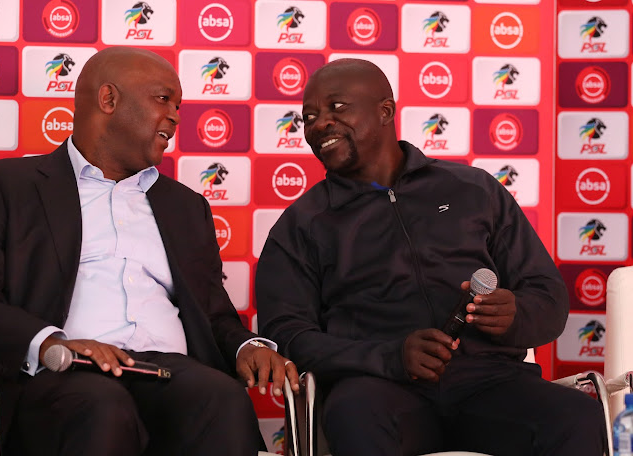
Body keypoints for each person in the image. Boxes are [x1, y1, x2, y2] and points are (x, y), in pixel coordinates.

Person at [0, 47, 299, 456]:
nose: (176, 116)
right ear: (108, 99)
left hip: (169, 370)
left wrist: (246, 345)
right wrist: (50, 343)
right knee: (100, 403)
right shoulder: (8, 185)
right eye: (163, 99)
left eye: (178, 105)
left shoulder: (185, 205)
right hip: (59, 374)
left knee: (221, 396)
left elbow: (212, 314)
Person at [255, 58, 606, 456]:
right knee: (353, 413)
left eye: (336, 108)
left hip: (489, 381)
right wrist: (389, 357)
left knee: (577, 416)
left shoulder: (474, 190)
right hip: (377, 389)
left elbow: (548, 295)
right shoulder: (301, 224)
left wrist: (515, 315)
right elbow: (287, 335)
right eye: (309, 116)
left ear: (385, 110)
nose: (319, 124)